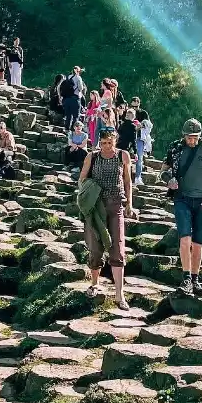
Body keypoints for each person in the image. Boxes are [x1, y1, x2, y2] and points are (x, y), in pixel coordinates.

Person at [161, 118, 202, 297]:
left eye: (195, 137)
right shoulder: (175, 148)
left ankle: (196, 280)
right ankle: (186, 278)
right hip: (182, 198)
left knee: (198, 243)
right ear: (183, 135)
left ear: (200, 135)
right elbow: (163, 170)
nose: (192, 140)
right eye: (189, 137)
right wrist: (169, 180)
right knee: (185, 238)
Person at [78, 125, 136, 309]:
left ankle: (119, 294)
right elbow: (82, 179)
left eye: (109, 142)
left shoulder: (123, 156)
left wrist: (129, 204)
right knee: (95, 248)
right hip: (96, 207)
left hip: (116, 204)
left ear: (115, 141)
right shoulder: (92, 157)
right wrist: (89, 192)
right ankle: (94, 284)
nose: (106, 146)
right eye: (103, 143)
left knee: (118, 247)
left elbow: (127, 181)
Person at [135, 110, 153, 187]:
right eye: (133, 106)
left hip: (140, 137)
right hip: (128, 137)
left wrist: (141, 125)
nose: (135, 108)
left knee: (139, 157)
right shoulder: (129, 112)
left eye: (136, 106)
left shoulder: (143, 113)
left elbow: (148, 125)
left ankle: (138, 177)